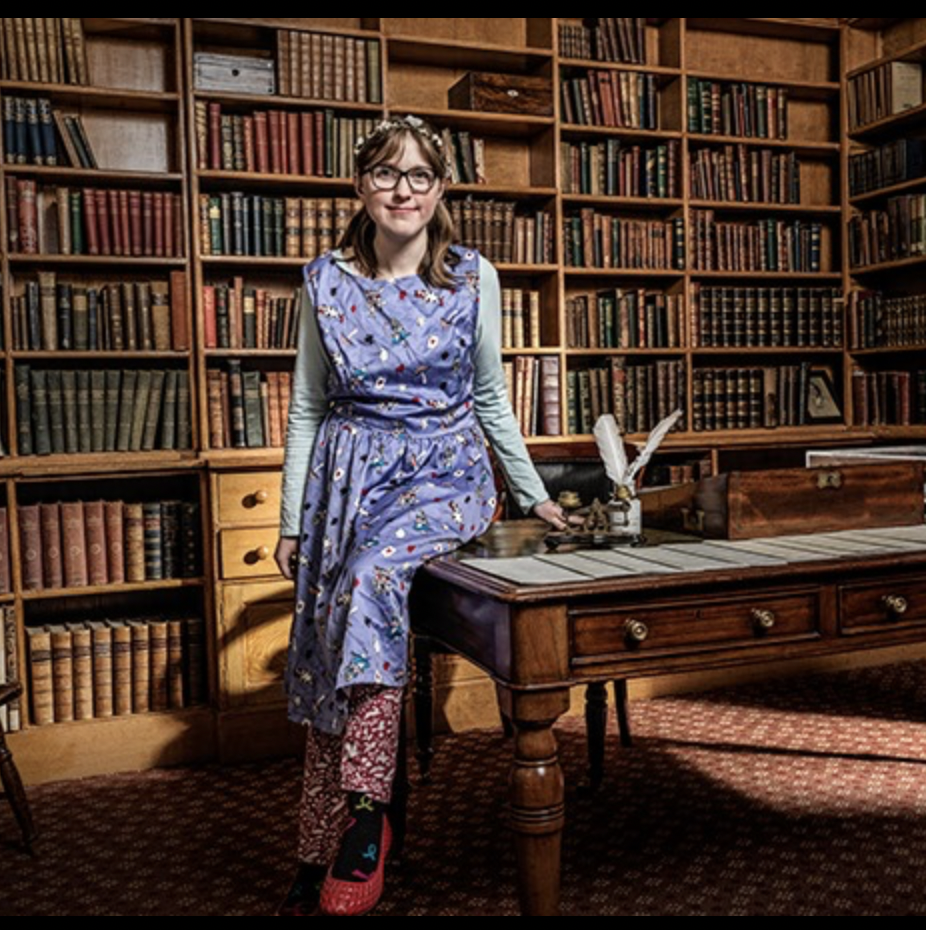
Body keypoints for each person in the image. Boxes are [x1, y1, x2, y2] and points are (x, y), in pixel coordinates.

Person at [273, 113, 577, 917]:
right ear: (360, 186)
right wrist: (292, 523)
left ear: (441, 189)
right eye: (385, 173)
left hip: (444, 474)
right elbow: (306, 409)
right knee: (332, 633)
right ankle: (320, 837)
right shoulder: (324, 280)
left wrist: (536, 493)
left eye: (419, 176)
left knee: (371, 587)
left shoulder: (473, 276)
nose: (402, 190)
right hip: (346, 482)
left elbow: (489, 401)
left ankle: (368, 814)